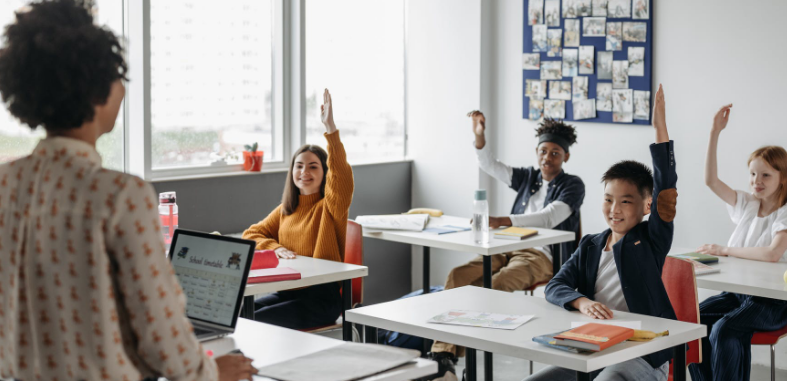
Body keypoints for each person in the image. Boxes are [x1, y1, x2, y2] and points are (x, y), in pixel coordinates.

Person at [0, 1, 255, 380]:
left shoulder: (6, 184)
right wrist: (211, 372)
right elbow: (159, 326)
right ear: (97, 90)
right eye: (118, 76)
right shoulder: (119, 195)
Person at [526, 84, 676, 381]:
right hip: (595, 345)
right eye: (608, 199)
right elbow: (555, 286)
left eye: (625, 201)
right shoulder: (591, 245)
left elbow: (666, 187)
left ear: (647, 205)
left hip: (642, 353)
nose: (614, 209)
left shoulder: (650, 241)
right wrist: (583, 302)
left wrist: (660, 126)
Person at [426, 115, 585, 380]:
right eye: (543, 151)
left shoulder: (573, 185)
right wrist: (479, 136)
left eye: (555, 153)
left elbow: (549, 217)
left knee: (494, 287)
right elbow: (490, 165)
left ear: (565, 157)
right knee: (459, 276)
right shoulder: (528, 178)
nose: (548, 157)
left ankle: (461, 363)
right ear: (537, 152)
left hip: (541, 255)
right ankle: (444, 359)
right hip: (507, 245)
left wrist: (502, 220)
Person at [687, 104, 787, 381]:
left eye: (766, 175)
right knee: (690, 322)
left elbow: (772, 254)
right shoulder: (746, 204)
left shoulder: (785, 211)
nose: (757, 181)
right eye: (753, 173)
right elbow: (710, 180)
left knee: (725, 330)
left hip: (773, 302)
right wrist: (714, 132)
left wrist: (724, 250)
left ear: (783, 178)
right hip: (738, 294)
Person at [242, 89, 354, 330]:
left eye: (313, 167)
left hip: (321, 300)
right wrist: (276, 247)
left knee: (254, 323)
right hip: (288, 292)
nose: (304, 172)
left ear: (325, 173)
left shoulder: (331, 206)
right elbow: (250, 234)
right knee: (237, 313)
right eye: (299, 166)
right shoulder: (286, 209)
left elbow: (342, 177)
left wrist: (331, 129)